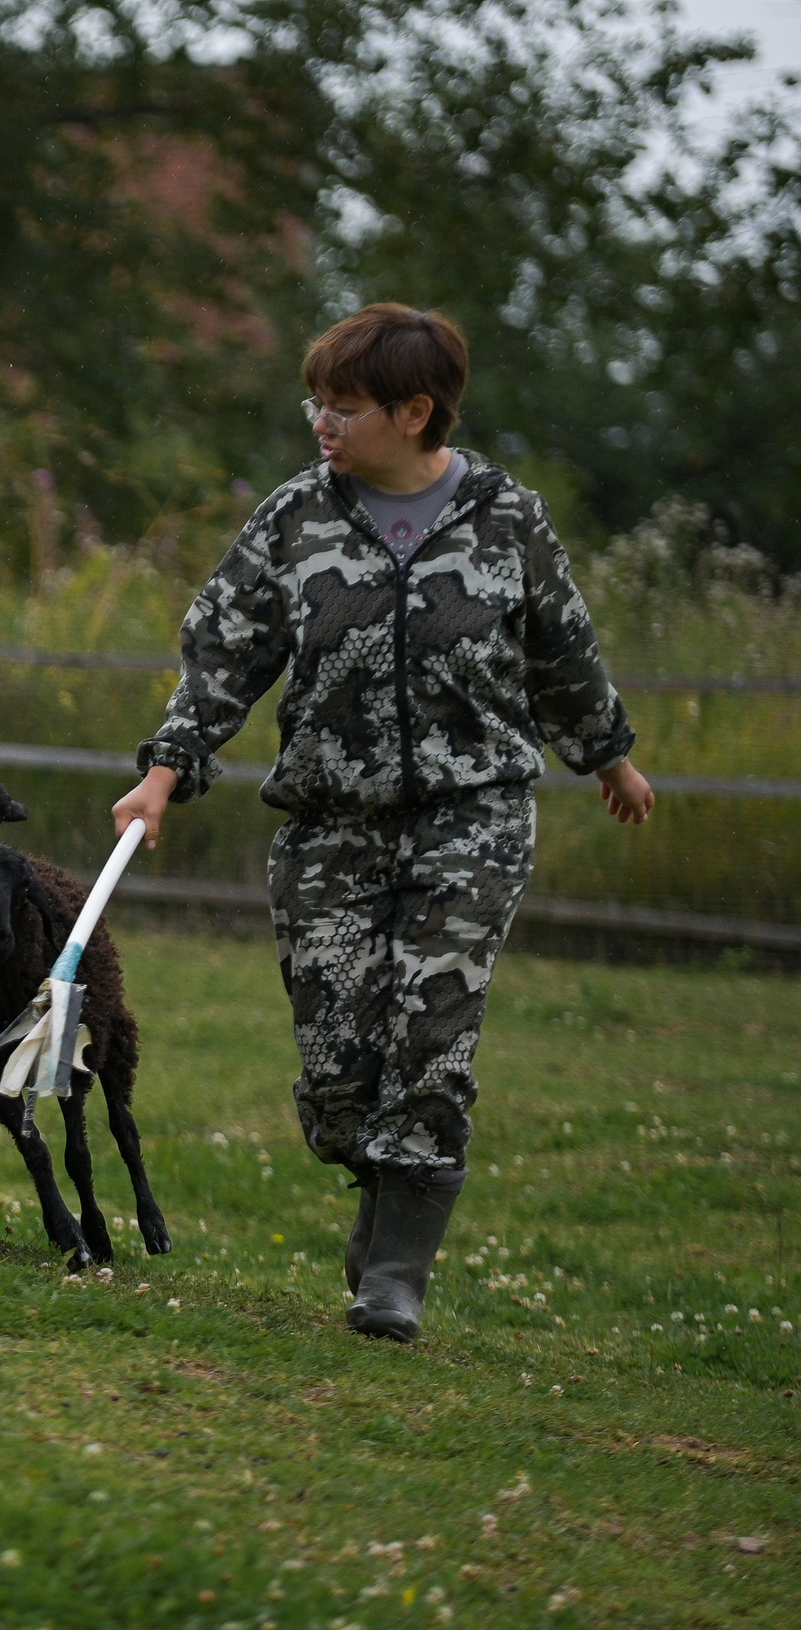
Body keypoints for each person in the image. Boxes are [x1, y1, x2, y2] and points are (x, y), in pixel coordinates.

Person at [111, 304, 654, 1344]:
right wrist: (167, 769)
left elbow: (562, 652)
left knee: (432, 1035)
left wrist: (609, 756)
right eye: (314, 400)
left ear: (415, 412)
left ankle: (396, 1271)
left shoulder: (506, 519)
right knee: (337, 1073)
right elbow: (223, 654)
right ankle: (376, 1185)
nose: (321, 421)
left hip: (472, 817)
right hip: (328, 824)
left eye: (344, 407)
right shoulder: (293, 519)